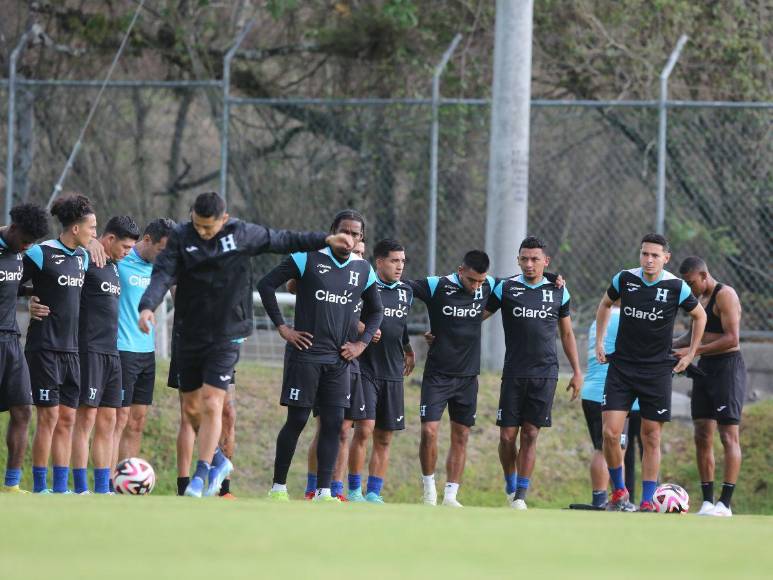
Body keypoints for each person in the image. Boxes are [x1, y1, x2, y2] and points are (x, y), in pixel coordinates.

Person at [139, 192, 351, 498]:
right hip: (190, 332)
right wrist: (147, 306)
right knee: (192, 410)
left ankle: (201, 476)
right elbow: (162, 275)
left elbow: (284, 239)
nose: (203, 233)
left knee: (214, 401)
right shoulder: (182, 238)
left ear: (223, 220)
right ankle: (217, 460)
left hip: (226, 332)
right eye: (198, 226)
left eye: (208, 227)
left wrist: (326, 240)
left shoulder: (241, 234)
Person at [259, 209, 383, 502]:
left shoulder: (363, 269)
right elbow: (265, 284)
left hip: (339, 361)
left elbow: (376, 311)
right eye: (345, 231)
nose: (349, 237)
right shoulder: (307, 258)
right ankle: (278, 487)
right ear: (332, 231)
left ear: (361, 238)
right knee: (298, 420)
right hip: (304, 355)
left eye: (355, 233)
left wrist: (361, 345)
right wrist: (283, 328)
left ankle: (325, 491)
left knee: (332, 423)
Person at [595, 233, 706, 511]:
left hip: (656, 370)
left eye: (655, 255)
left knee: (651, 436)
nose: (648, 259)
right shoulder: (625, 279)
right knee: (610, 433)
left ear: (665, 258)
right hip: (622, 367)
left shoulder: (675, 286)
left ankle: (647, 500)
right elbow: (605, 305)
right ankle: (620, 490)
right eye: (645, 253)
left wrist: (691, 353)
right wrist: (599, 341)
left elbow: (700, 316)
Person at [486, 237, 583, 510]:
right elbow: (477, 314)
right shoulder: (505, 287)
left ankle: (520, 496)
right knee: (507, 437)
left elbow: (566, 332)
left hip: (545, 373)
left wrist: (577, 371)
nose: (529, 264)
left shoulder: (558, 290)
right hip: (514, 371)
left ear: (546, 262)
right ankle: (510, 478)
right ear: (518, 260)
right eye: (524, 259)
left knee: (530, 433)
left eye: (535, 259)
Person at [408, 250, 495, 508]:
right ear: (460, 271)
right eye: (471, 280)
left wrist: (552, 277)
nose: (476, 286)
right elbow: (400, 288)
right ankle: (429, 491)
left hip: (468, 377)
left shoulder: (490, 285)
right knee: (429, 431)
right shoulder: (437, 285)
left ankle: (450, 495)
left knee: (461, 435)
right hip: (437, 374)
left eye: (480, 281)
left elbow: (521, 281)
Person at [23, 194, 96, 493]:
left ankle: (61, 488)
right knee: (49, 417)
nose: (94, 232)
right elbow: (13, 282)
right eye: (91, 227)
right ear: (75, 229)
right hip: (44, 348)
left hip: (72, 350)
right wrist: (29, 300)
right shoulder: (42, 253)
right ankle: (41, 488)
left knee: (67, 417)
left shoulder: (84, 257)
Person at [66, 217, 139, 494]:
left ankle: (102, 488)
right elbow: (62, 262)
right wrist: (91, 242)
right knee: (85, 420)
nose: (128, 252)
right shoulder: (86, 259)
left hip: (113, 353)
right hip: (90, 351)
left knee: (109, 421)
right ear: (109, 240)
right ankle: (80, 487)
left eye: (132, 247)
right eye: (125, 246)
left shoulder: (116, 267)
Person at [346, 239, 415, 503]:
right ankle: (353, 490)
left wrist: (408, 348)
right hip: (365, 368)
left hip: (393, 371)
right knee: (364, 429)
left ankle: (374, 492)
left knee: (385, 436)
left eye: (403, 261)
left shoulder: (405, 291)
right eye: (394, 261)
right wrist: (364, 329)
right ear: (379, 262)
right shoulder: (364, 285)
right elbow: (344, 313)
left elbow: (400, 323)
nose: (400, 267)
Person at [677, 256, 745, 517]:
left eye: (691, 282)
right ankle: (707, 501)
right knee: (702, 433)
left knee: (728, 436)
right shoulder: (697, 301)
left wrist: (693, 351)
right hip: (704, 370)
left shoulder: (725, 295)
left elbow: (731, 338)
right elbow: (693, 336)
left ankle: (725, 504)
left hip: (727, 369)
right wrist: (670, 346)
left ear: (704, 276)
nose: (688, 287)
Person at [302, 239, 367, 501]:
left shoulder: (365, 280)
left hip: (357, 364)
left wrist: (364, 336)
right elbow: (296, 286)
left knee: (347, 429)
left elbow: (374, 316)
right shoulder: (330, 274)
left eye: (363, 253)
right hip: (329, 359)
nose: (358, 256)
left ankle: (337, 489)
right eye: (355, 252)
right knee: (328, 427)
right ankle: (313, 486)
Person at [113, 218, 175, 486]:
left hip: (146, 353)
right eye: (162, 249)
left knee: (137, 422)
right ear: (147, 240)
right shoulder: (119, 259)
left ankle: (128, 482)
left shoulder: (164, 268)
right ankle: (108, 482)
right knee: (119, 419)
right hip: (120, 349)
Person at [0, 203, 50, 493]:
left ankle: (11, 485)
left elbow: (12, 285)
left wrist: (36, 292)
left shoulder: (18, 253)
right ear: (14, 228)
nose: (27, 247)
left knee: (23, 411)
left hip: (11, 340)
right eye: (25, 240)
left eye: (33, 243)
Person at [580, 306, 641, 509]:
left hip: (590, 392)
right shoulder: (625, 319)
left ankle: (599, 500)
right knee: (617, 449)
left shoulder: (599, 319)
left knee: (601, 448)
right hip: (613, 394)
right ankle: (620, 500)